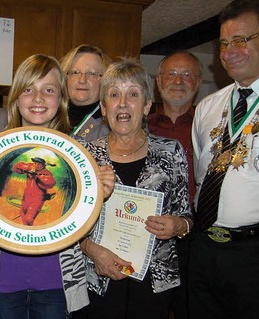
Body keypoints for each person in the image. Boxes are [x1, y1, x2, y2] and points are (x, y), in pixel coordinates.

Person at [0, 54, 115, 318]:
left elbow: (84, 228)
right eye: (28, 89)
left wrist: (100, 197)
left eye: (48, 90)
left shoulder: (80, 156)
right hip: (1, 283)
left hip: (57, 284)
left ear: (60, 99)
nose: (38, 98)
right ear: (16, 98)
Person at [190, 1, 259, 318]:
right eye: (223, 43)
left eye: (241, 40)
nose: (229, 52)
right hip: (204, 249)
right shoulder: (208, 106)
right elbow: (203, 172)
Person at [80, 58, 192, 319]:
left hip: (154, 282)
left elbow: (187, 216)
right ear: (103, 107)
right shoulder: (84, 155)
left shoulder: (171, 151)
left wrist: (178, 225)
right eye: (114, 94)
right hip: (99, 277)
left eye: (133, 94)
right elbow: (69, 226)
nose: (122, 103)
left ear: (146, 106)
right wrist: (92, 250)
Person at [148, 50, 202, 319]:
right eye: (171, 73)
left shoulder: (210, 125)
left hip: (197, 237)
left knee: (190, 306)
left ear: (199, 82)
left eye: (187, 75)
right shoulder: (140, 125)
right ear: (159, 81)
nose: (178, 80)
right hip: (148, 233)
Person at [60, 44, 111, 140]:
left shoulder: (111, 126)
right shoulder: (52, 117)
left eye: (91, 73)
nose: (82, 80)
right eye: (75, 72)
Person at [13, 157, 57, 226]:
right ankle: (26, 229)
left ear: (42, 165)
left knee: (29, 218)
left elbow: (50, 184)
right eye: (34, 163)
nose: (34, 165)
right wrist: (26, 169)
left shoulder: (47, 174)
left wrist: (37, 178)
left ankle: (29, 230)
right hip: (27, 196)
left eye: (37, 163)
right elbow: (16, 167)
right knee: (23, 213)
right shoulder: (31, 167)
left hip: (37, 198)